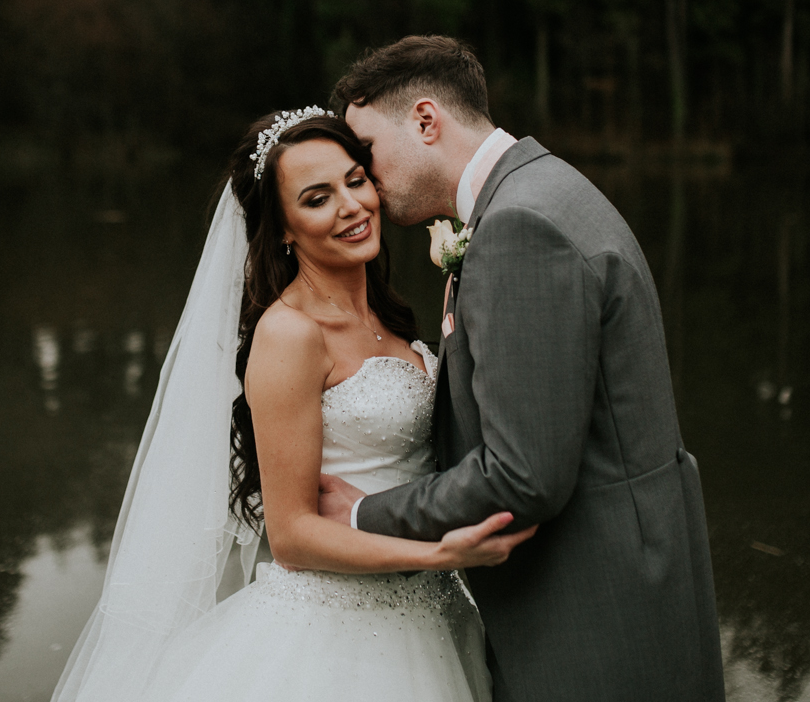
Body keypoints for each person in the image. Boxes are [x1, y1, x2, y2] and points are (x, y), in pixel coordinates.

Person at [51, 107, 532, 702]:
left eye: (356, 180)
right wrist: (439, 552)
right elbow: (294, 535)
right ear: (282, 227)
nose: (352, 206)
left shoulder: (388, 315)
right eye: (316, 198)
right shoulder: (290, 335)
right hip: (339, 637)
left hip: (434, 616)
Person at [319, 36, 727, 701]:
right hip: (629, 581)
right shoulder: (543, 187)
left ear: (426, 121)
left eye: (365, 154)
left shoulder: (519, 227)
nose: (361, 179)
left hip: (592, 618)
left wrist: (367, 516)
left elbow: (522, 476)